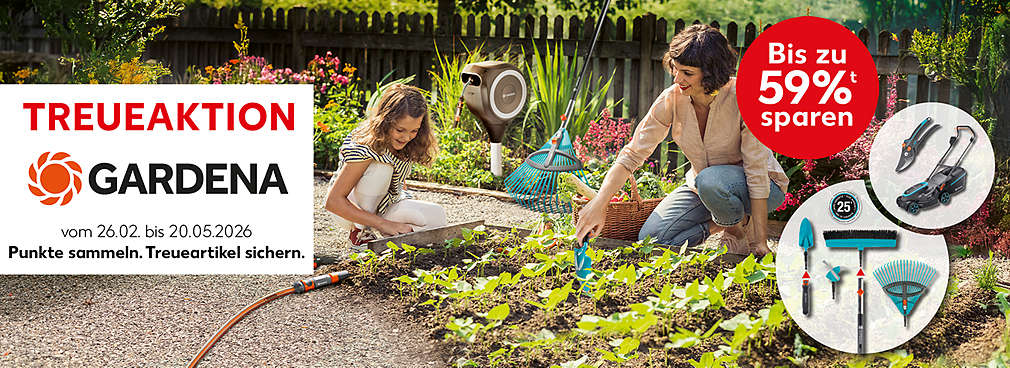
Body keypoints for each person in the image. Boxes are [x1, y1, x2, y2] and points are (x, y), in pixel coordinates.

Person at [575, 24, 789, 256]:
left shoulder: (744, 98)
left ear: (711, 72)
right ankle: (722, 223)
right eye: (675, 70)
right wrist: (599, 204)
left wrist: (759, 241)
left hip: (760, 189)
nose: (677, 79)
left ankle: (736, 231)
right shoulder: (672, 100)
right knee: (652, 238)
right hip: (704, 188)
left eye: (687, 73)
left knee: (709, 180)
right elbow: (632, 154)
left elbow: (756, 172)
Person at [325, 84, 447, 246]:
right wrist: (385, 224)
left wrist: (401, 213)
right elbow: (333, 201)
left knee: (436, 216)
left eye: (414, 130)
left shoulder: (407, 144)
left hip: (383, 206)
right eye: (400, 130)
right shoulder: (366, 145)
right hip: (349, 211)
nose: (407, 137)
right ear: (386, 121)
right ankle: (360, 234)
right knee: (382, 169)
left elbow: (396, 181)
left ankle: (396, 240)